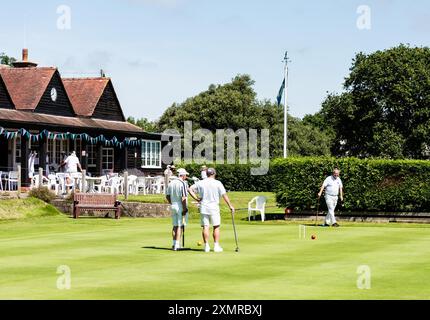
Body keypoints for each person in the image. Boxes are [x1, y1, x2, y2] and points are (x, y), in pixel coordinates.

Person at [189, 168, 234, 253]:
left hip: (204, 207)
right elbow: (224, 195)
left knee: (205, 226)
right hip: (214, 208)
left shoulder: (201, 182)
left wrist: (197, 199)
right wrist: (230, 206)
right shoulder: (217, 183)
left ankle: (206, 246)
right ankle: (216, 246)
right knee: (216, 226)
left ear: (206, 174)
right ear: (214, 174)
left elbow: (189, 189)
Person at [166, 168, 189, 251]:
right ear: (182, 175)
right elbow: (183, 197)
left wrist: (171, 203)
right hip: (180, 206)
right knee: (180, 226)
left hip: (173, 205)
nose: (186, 176)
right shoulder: (182, 183)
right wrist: (185, 208)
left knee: (175, 225)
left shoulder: (171, 183)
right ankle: (177, 245)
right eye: (185, 175)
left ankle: (174, 243)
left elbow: (167, 196)